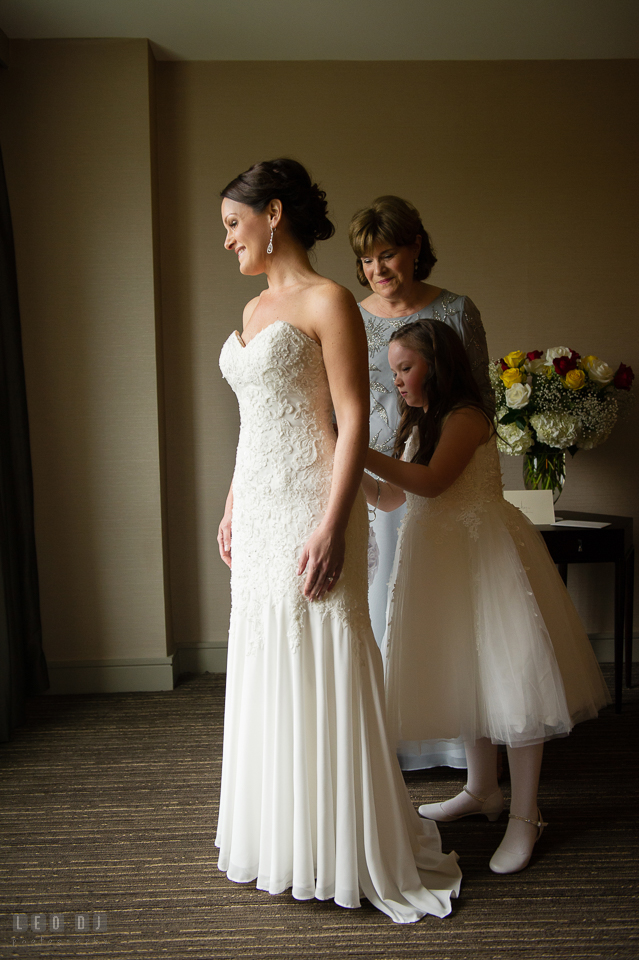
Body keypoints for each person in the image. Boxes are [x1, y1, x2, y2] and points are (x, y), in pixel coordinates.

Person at [215, 158, 461, 922]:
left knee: (321, 647)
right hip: (256, 506)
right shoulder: (252, 311)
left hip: (310, 502)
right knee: (266, 651)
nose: (227, 241)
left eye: (233, 224)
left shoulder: (328, 302)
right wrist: (229, 504)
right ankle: (282, 837)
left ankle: (343, 843)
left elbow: (350, 418)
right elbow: (253, 423)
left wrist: (331, 523)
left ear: (274, 213)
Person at [362, 319, 610, 874]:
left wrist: (361, 446)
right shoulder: (419, 422)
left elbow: (434, 482)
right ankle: (482, 790)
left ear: (438, 365)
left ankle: (526, 814)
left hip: (483, 556)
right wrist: (352, 469)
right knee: (466, 671)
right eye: (393, 370)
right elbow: (395, 497)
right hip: (439, 561)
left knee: (511, 679)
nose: (397, 380)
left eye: (406, 368)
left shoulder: (466, 418)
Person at [349, 195, 491, 771]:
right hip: (376, 476)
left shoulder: (457, 310)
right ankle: (395, 741)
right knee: (381, 601)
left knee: (444, 606)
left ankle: (459, 746)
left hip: (438, 470)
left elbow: (477, 393)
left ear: (415, 249)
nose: (378, 271)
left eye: (388, 255)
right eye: (366, 260)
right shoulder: (350, 317)